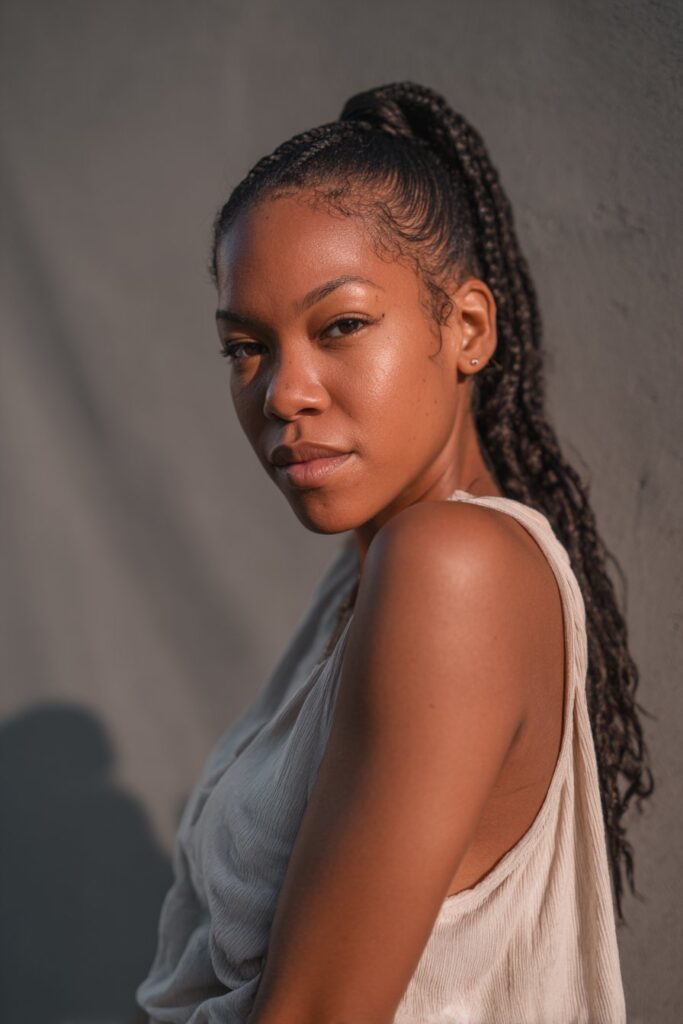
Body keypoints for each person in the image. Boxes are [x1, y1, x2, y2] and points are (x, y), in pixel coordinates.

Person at [136, 81, 654, 1024]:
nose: (283, 392)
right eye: (245, 347)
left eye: (339, 326)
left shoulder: (453, 566)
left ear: (465, 329)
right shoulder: (372, 577)